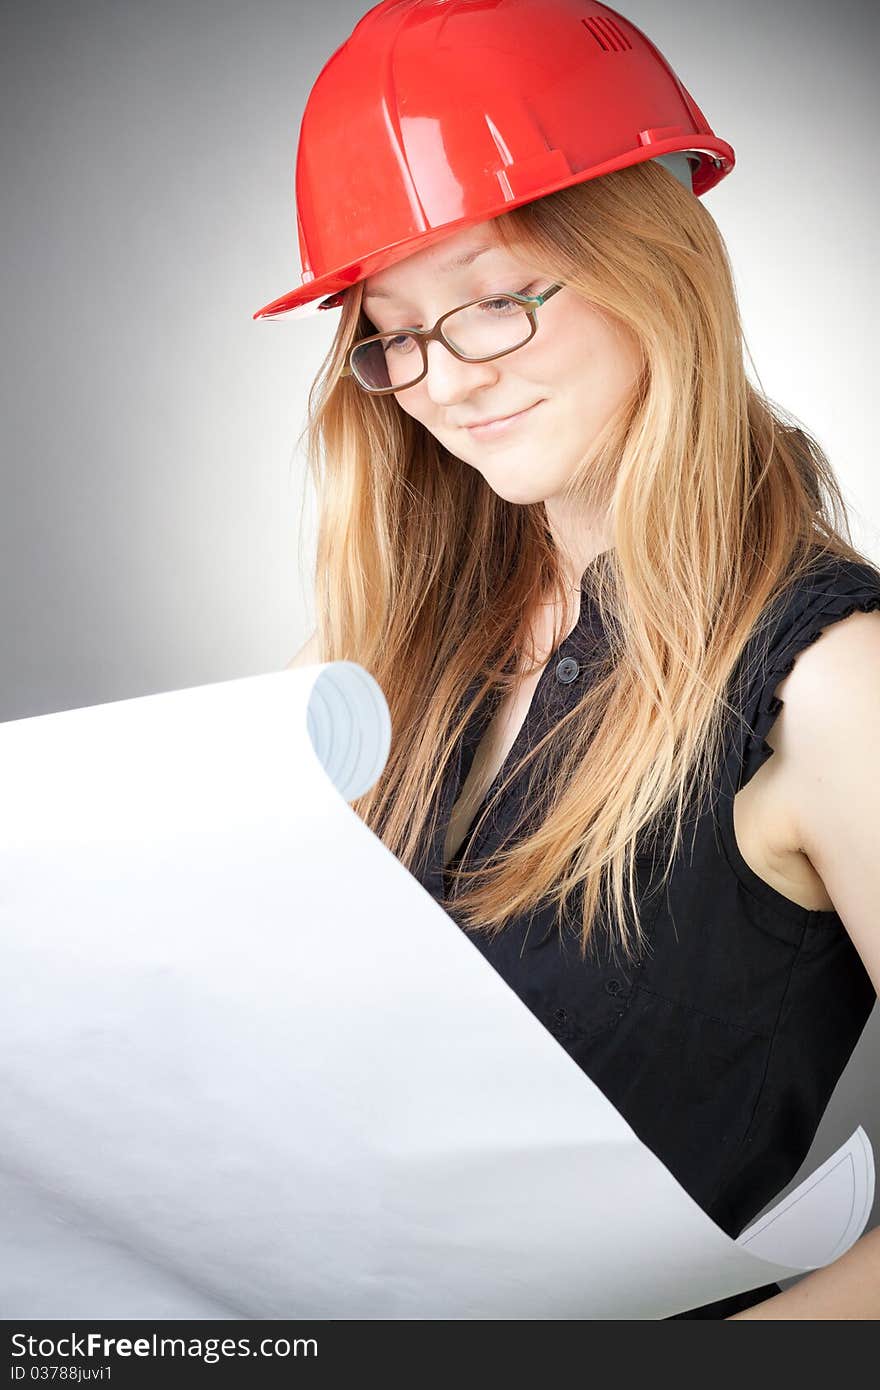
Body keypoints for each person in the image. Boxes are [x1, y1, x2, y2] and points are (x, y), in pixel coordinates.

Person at [259, 0, 880, 1319]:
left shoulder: (834, 685)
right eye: (395, 329)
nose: (447, 381)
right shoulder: (404, 645)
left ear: (655, 263)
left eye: (494, 301)